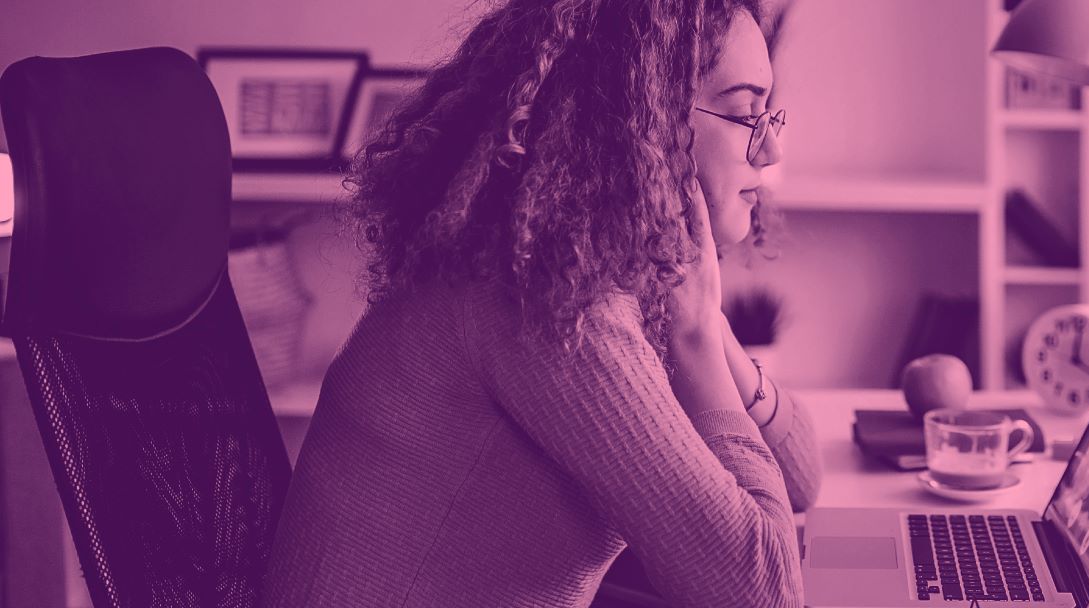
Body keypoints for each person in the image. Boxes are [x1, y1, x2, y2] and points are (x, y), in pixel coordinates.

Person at [260, 1, 818, 606]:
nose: (769, 152)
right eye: (744, 114)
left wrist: (705, 324)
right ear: (645, 122)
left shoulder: (610, 275)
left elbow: (802, 478)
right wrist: (699, 338)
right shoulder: (545, 304)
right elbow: (763, 593)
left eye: (769, 116)